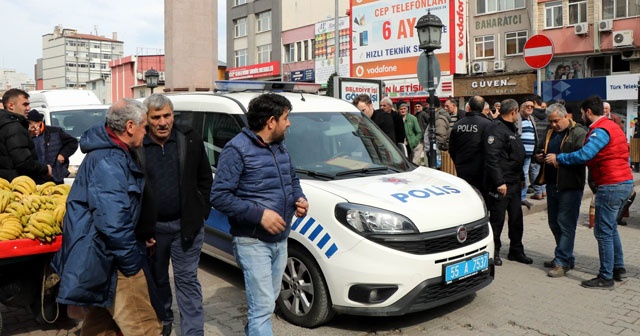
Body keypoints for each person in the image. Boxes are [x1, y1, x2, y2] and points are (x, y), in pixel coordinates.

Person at [51, 99, 163, 335]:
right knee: (145, 328)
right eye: (144, 126)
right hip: (114, 260)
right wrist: (132, 261)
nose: (147, 132)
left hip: (105, 257)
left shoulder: (114, 154)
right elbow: (112, 220)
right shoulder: (109, 161)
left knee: (100, 328)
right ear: (130, 126)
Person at [210, 93, 308, 335]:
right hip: (252, 241)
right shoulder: (236, 150)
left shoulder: (279, 147)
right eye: (286, 118)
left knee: (265, 304)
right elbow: (219, 196)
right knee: (262, 307)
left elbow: (291, 178)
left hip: (280, 238)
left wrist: (299, 197)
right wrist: (260, 215)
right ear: (271, 122)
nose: (289, 123)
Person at [140, 94, 213, 336]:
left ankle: (193, 332)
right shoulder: (138, 145)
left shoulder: (189, 138)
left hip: (187, 227)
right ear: (147, 119)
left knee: (187, 280)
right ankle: (164, 318)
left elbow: (205, 178)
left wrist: (202, 211)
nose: (163, 122)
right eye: (156, 117)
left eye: (167, 116)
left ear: (173, 115)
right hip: (154, 231)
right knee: (158, 279)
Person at [546, 95, 633, 289]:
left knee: (603, 232)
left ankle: (606, 276)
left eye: (582, 113)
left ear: (588, 112)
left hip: (611, 184)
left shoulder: (599, 130)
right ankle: (618, 268)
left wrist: (560, 158)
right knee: (610, 228)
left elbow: (586, 154)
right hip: (622, 181)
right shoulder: (613, 126)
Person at [534, 103, 587, 277]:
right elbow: (540, 149)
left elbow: (583, 157)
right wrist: (540, 156)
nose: (554, 125)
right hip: (551, 184)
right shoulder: (550, 132)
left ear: (566, 116)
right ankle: (564, 256)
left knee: (566, 224)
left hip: (570, 185)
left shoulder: (578, 132)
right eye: (551, 122)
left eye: (556, 121)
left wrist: (560, 159)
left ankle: (562, 261)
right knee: (554, 223)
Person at [484, 98, 533, 266]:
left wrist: (521, 179)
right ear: (514, 111)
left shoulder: (511, 128)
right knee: (497, 220)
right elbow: (492, 158)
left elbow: (515, 156)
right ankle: (494, 251)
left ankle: (516, 251)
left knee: (516, 219)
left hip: (514, 183)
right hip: (502, 184)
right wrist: (499, 182)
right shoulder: (496, 129)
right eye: (517, 112)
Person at [0, 88, 52, 181]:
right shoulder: (14, 127)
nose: (29, 108)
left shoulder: (5, 123)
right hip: (17, 184)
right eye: (25, 104)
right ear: (11, 105)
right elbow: (23, 163)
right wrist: (45, 169)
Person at [449, 96, 492, 194]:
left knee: (467, 194)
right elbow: (491, 148)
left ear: (469, 107)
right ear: (482, 108)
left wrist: (458, 161)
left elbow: (451, 147)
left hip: (462, 167)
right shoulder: (488, 124)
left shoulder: (458, 124)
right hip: (481, 168)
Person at [26, 109, 78, 184]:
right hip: (35, 177)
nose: (29, 126)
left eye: (30, 123)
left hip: (55, 174)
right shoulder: (26, 135)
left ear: (39, 122)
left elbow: (73, 142)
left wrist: (63, 155)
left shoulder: (55, 131)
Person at [515, 99, 538, 209]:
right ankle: (519, 198)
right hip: (519, 153)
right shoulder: (518, 118)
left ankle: (522, 197)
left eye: (532, 106)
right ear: (521, 107)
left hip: (529, 154)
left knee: (524, 175)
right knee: (520, 175)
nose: (530, 108)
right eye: (527, 106)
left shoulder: (531, 119)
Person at [528, 95, 548, 201]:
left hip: (535, 145)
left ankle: (538, 192)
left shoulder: (531, 115)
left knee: (534, 168)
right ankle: (543, 191)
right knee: (543, 168)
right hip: (546, 145)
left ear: (535, 102)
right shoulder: (548, 114)